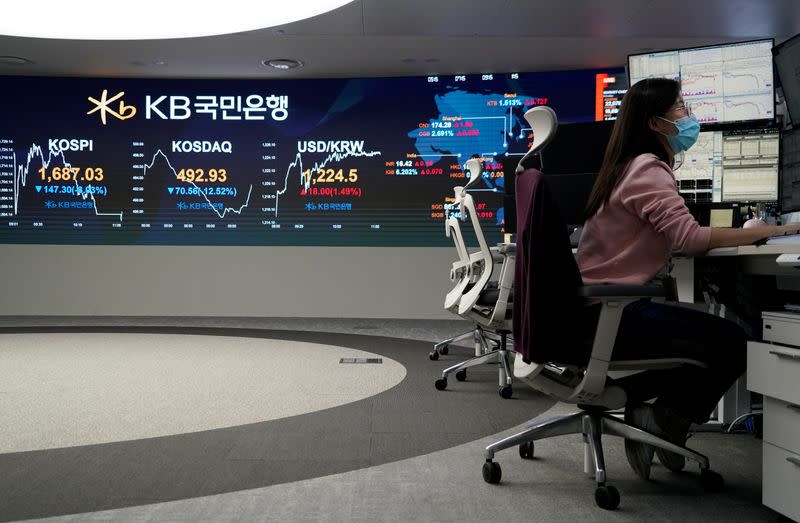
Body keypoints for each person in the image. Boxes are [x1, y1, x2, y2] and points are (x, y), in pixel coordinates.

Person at [576, 77, 800, 480]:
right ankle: (663, 422)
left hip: (596, 310)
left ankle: (653, 415)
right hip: (611, 313)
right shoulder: (648, 169)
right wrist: (765, 231)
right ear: (656, 123)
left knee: (710, 341)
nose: (690, 116)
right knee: (732, 341)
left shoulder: (624, 168)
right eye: (681, 108)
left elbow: (663, 239)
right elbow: (690, 239)